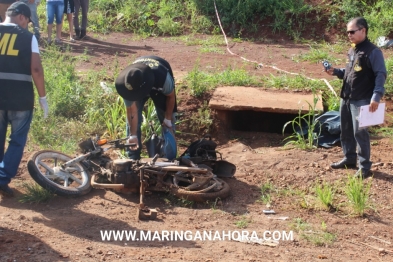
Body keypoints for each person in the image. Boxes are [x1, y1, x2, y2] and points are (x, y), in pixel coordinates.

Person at [326, 17, 386, 179]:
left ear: (363, 30)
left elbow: (380, 74)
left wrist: (376, 96)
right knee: (346, 131)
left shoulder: (373, 52)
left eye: (352, 31)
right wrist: (336, 72)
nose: (349, 35)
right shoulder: (353, 50)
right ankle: (349, 158)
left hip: (362, 99)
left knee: (360, 133)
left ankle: (365, 166)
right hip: (346, 97)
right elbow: (351, 73)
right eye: (347, 32)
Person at [0, 2, 48, 197]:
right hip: (20, 97)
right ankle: (2, 178)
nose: (27, 25)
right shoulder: (28, 37)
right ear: (22, 17)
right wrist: (43, 97)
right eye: (28, 21)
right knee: (17, 141)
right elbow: (36, 69)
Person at [115, 56, 177, 160]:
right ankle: (133, 157)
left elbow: (171, 97)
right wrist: (133, 135)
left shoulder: (162, 77)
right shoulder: (126, 85)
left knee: (168, 120)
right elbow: (132, 112)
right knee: (132, 126)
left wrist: (168, 119)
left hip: (156, 83)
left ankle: (169, 156)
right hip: (139, 84)